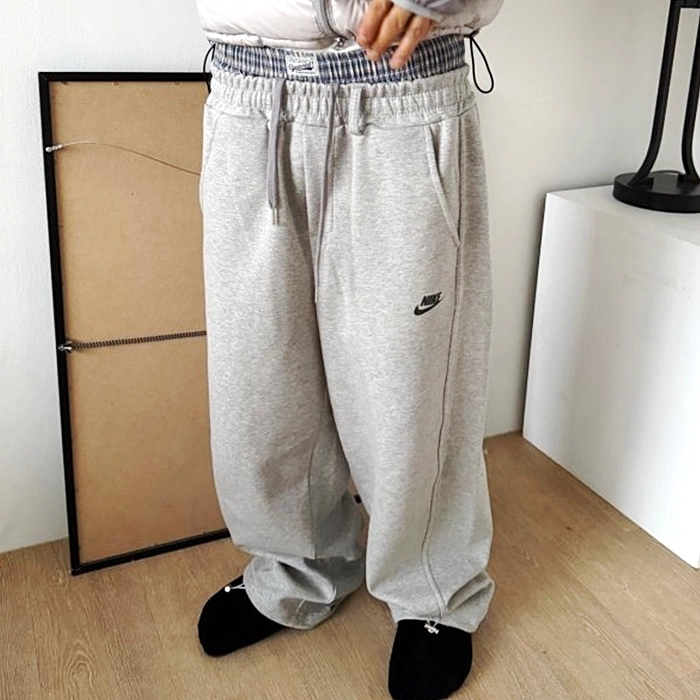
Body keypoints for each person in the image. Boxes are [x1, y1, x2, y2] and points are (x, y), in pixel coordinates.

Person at [195, 1, 504, 698]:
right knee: (260, 380)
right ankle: (296, 567)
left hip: (402, 92)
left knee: (410, 388)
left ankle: (432, 589)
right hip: (248, 94)